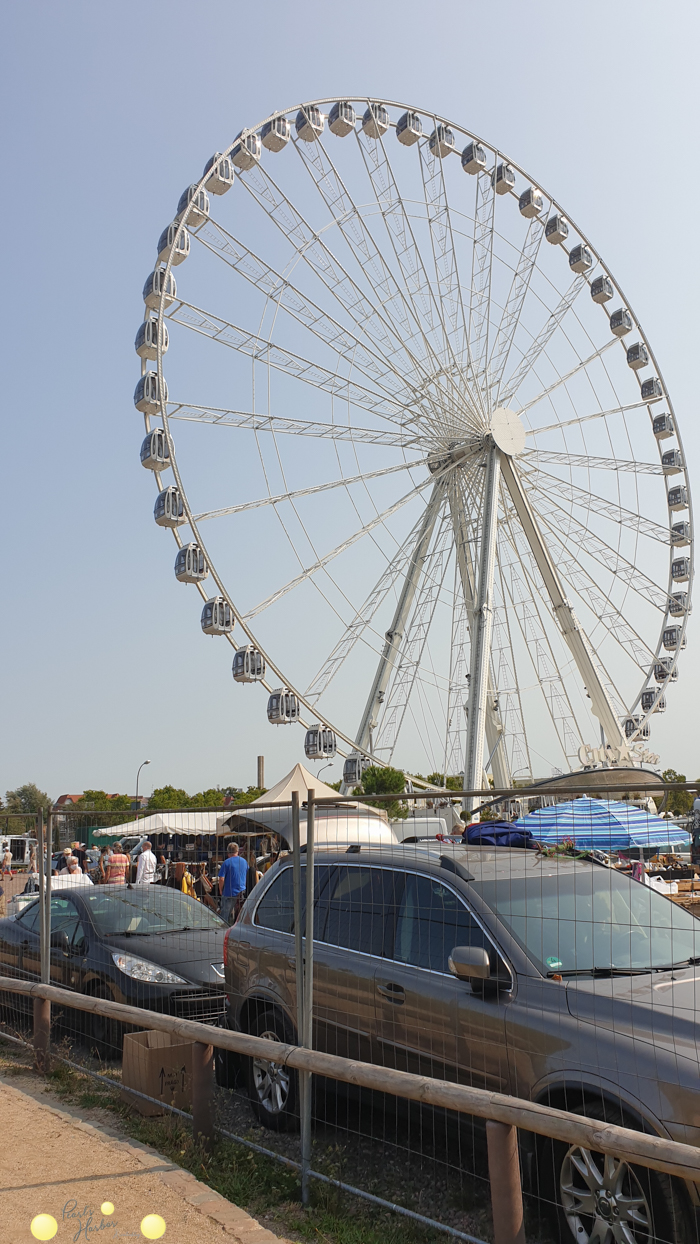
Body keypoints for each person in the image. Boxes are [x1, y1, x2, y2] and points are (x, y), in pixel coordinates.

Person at [218, 842, 248, 924]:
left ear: (228, 853)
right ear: (238, 851)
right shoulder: (244, 862)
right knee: (240, 916)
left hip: (229, 893)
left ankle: (225, 931)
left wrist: (221, 890)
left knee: (225, 916)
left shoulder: (226, 863)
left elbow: (221, 879)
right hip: (242, 892)